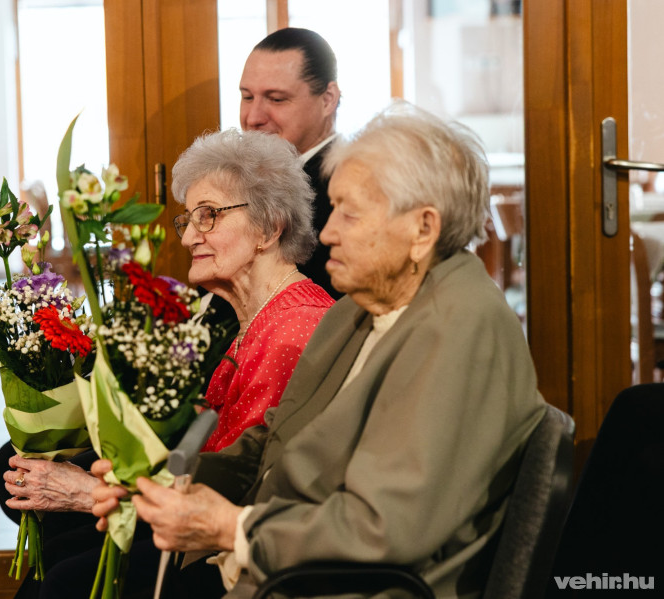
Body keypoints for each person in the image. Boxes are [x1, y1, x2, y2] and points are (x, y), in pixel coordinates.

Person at [91, 101, 548, 599]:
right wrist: (163, 482)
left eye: (349, 214)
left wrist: (231, 527)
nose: (327, 232)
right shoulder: (358, 308)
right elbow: (275, 439)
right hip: (291, 562)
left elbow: (382, 529)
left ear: (423, 229)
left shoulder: (456, 329)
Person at [0, 129, 335, 597]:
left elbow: (241, 488)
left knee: (63, 580)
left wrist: (90, 494)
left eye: (209, 215)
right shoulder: (255, 317)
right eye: (188, 220)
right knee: (56, 552)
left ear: (269, 227)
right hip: (193, 525)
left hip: (234, 558)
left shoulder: (291, 330)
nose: (191, 236)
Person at [239, 27, 342, 299]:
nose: (253, 117)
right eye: (247, 97)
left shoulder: (344, 187)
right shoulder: (247, 179)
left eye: (276, 99)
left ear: (327, 99)